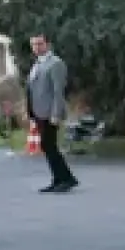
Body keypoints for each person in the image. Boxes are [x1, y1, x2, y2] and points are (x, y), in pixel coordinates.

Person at [25, 35, 78, 193]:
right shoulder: (37, 64)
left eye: (40, 43)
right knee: (47, 146)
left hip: (49, 113)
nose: (36, 47)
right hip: (38, 112)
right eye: (33, 44)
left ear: (47, 44)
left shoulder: (55, 63)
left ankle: (66, 179)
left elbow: (58, 91)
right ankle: (59, 179)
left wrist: (56, 114)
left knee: (49, 145)